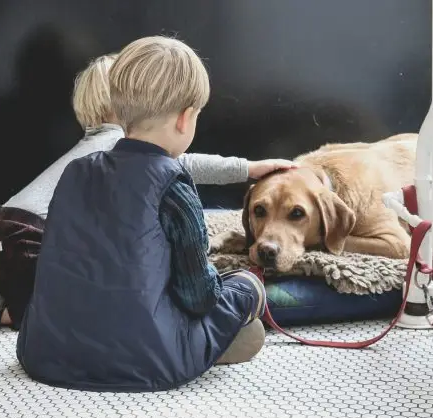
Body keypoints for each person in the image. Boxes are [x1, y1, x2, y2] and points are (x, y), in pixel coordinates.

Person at [0, 52, 293, 331]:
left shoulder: (95, 147)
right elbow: (186, 163)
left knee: (47, 277)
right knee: (55, 307)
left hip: (4, 228)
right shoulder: (120, 145)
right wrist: (247, 168)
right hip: (28, 235)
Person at [16, 36, 275, 392]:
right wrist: (237, 284)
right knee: (245, 285)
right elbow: (199, 297)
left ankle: (201, 341)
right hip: (146, 360)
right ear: (185, 119)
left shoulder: (76, 171)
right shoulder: (173, 185)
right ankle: (213, 339)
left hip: (47, 351)